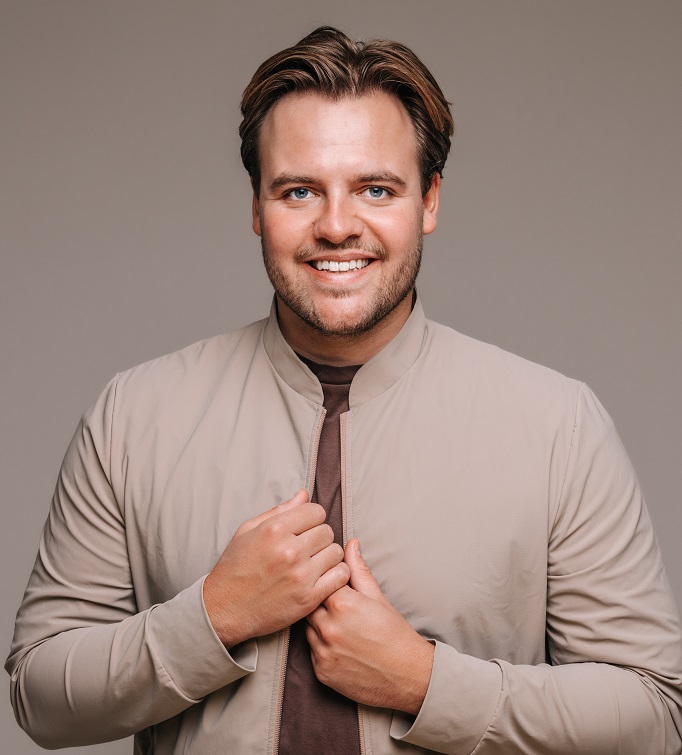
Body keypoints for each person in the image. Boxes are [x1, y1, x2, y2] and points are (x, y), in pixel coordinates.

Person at [6, 25, 682, 755]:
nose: (336, 225)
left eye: (375, 189)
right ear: (257, 207)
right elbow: (39, 697)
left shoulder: (558, 428)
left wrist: (424, 682)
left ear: (429, 200)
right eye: (299, 190)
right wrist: (213, 617)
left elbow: (655, 714)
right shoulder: (134, 417)